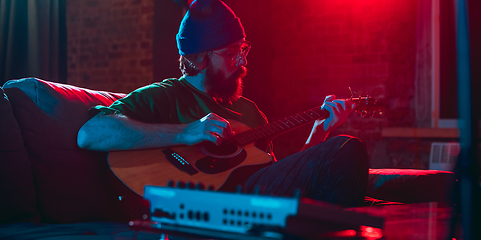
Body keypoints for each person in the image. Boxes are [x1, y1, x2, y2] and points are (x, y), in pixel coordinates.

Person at [77, 0, 368, 208]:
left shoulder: (250, 112)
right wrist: (186, 133)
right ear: (200, 58)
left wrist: (320, 130)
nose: (242, 62)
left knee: (342, 151)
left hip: (253, 202)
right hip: (203, 201)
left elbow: (289, 181)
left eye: (243, 50)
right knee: (347, 149)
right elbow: (91, 133)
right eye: (231, 52)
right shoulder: (166, 95)